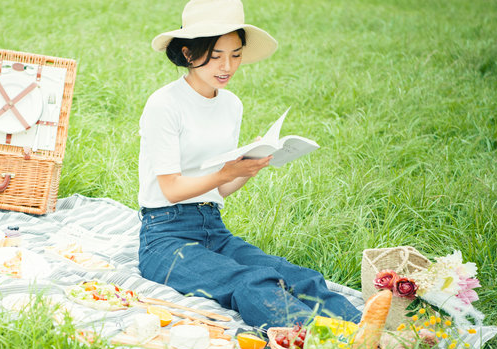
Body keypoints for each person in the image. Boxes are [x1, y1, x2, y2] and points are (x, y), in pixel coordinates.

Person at [137, 0, 362, 330]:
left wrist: (248, 166)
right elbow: (171, 189)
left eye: (236, 54)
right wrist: (226, 172)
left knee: (295, 276)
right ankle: (320, 346)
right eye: (216, 55)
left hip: (213, 227)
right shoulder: (165, 104)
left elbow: (221, 188)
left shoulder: (231, 104)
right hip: (165, 237)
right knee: (250, 282)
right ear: (188, 54)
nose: (227, 65)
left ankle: (374, 330)